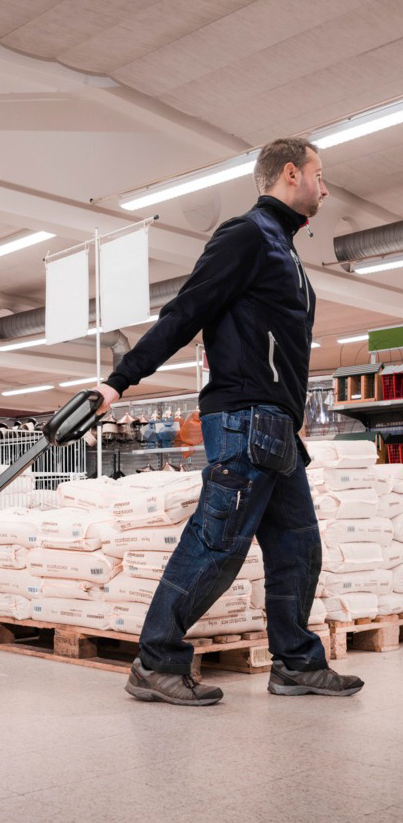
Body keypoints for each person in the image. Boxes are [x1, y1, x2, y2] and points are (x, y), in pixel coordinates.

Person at [94, 137, 364, 706]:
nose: (325, 187)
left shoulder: (283, 249)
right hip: (245, 419)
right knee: (216, 544)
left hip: (276, 428)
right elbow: (185, 310)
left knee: (298, 547)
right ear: (291, 173)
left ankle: (295, 663)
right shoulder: (247, 235)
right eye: (319, 174)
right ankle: (155, 662)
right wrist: (119, 380)